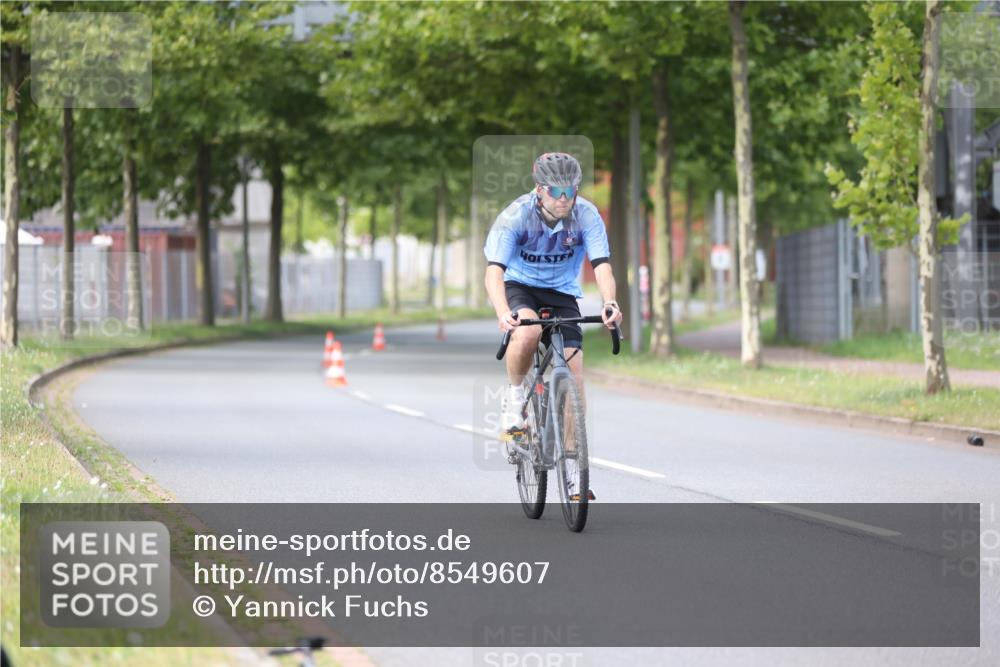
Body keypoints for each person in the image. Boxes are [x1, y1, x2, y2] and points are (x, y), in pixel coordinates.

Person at [483, 152, 623, 433]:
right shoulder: (515, 216)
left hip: (562, 291)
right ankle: (515, 397)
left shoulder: (586, 215)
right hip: (520, 286)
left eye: (570, 190)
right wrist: (502, 313)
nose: (563, 197)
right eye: (556, 191)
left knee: (575, 372)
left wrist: (609, 301)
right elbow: (494, 272)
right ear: (539, 190)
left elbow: (602, 266)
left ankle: (570, 458)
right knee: (527, 333)